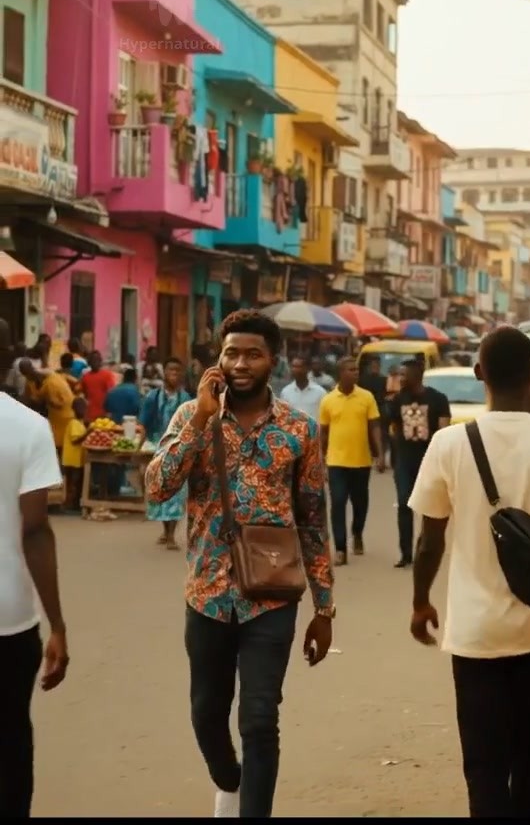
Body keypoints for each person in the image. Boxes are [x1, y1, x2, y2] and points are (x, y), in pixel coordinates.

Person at [145, 309, 333, 819]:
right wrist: (203, 418)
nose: (240, 363)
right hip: (206, 595)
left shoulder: (299, 429)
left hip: (271, 597)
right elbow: (157, 486)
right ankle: (230, 783)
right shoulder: (191, 416)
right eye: (231, 353)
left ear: (273, 359)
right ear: (218, 359)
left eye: (252, 353)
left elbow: (313, 520)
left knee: (258, 718)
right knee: (207, 715)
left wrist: (324, 608)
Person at [408, 327, 530, 819]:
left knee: (483, 765)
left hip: (476, 636)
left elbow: (430, 540)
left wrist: (421, 601)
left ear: (479, 373)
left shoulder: (449, 444)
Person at [0, 319, 69, 817]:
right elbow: (36, 530)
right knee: (9, 740)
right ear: (9, 357)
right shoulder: (27, 426)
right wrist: (59, 626)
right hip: (10, 619)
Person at [320, 356, 385, 565]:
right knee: (337, 503)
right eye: (351, 370)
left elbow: (374, 426)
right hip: (336, 462)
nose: (355, 373)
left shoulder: (366, 397)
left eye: (356, 370)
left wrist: (380, 454)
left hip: (361, 461)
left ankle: (357, 533)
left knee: (360, 503)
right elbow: (323, 432)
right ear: (341, 373)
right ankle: (340, 549)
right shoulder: (328, 400)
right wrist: (320, 460)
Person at [388, 358, 450, 568]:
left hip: (429, 462)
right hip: (404, 462)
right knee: (404, 504)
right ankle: (405, 554)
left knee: (428, 509)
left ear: (417, 375)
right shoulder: (398, 400)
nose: (401, 378)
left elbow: (442, 431)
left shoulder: (438, 399)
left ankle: (423, 550)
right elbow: (395, 426)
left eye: (404, 375)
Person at [140, 358, 190, 551]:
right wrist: (138, 446)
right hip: (157, 448)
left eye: (178, 370)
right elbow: (143, 423)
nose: (174, 374)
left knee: (177, 493)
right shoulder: (153, 397)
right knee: (160, 491)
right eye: (171, 370)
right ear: (165, 373)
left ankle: (171, 535)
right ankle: (165, 529)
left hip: (179, 449)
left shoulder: (186, 399)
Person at [20, 361, 75, 456]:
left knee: (61, 442)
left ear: (31, 368)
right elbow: (27, 398)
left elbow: (65, 385)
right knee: (52, 442)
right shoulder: (29, 382)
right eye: (24, 373)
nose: (26, 375)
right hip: (42, 414)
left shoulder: (48, 376)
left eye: (27, 371)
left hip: (58, 414)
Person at [62, 397, 90, 514]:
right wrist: (89, 432)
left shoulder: (80, 423)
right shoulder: (73, 423)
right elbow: (75, 440)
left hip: (78, 459)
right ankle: (70, 505)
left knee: (77, 482)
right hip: (72, 459)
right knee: (73, 483)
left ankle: (74, 504)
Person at [280, 354, 326, 421]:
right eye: (293, 366)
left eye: (299, 367)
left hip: (313, 430)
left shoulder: (320, 392)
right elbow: (283, 416)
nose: (295, 370)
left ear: (307, 368)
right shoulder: (285, 392)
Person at [81, 350, 115, 422]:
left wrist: (110, 411)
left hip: (104, 415)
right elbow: (85, 395)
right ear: (89, 362)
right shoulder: (85, 377)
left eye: (97, 360)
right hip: (90, 416)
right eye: (93, 360)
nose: (95, 362)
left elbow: (111, 394)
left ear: (100, 361)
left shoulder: (107, 375)